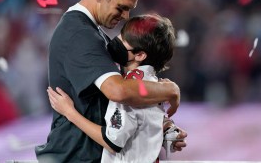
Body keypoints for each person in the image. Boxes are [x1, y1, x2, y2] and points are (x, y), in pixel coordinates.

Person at [35, 0, 186, 162]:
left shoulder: (92, 32)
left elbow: (128, 105)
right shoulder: (79, 34)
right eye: (121, 7)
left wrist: (162, 128)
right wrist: (170, 90)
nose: (125, 16)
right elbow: (119, 91)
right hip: (75, 156)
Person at [48, 14, 183, 162]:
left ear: (139, 55)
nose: (116, 40)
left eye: (123, 39)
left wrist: (70, 112)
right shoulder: (155, 85)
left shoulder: (128, 90)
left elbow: (112, 142)